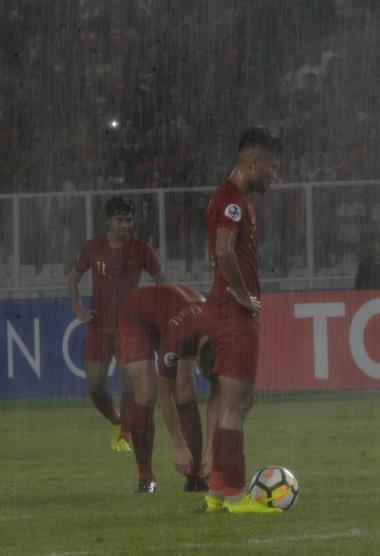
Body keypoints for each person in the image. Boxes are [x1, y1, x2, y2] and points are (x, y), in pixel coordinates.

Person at [201, 126, 283, 514]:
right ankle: (236, 495)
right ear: (253, 163)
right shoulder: (233, 200)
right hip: (233, 313)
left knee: (234, 404)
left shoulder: (228, 197)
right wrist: (241, 295)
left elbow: (215, 250)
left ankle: (218, 491)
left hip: (224, 309)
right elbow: (223, 250)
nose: (274, 175)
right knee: (237, 404)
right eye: (271, 167)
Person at [67, 197, 165, 452]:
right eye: (119, 220)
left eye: (129, 220)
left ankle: (124, 435)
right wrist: (78, 310)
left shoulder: (142, 250)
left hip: (129, 326)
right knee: (96, 386)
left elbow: (163, 285)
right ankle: (115, 419)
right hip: (99, 326)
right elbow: (72, 280)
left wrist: (157, 314)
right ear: (107, 221)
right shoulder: (93, 248)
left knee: (128, 381)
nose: (125, 225)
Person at [116, 283, 218, 493]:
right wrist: (178, 445)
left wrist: (212, 449)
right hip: (137, 314)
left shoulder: (222, 334)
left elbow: (219, 394)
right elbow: (166, 394)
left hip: (176, 310)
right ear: (198, 359)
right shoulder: (177, 338)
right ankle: (146, 478)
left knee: (186, 385)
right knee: (147, 389)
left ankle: (196, 474)